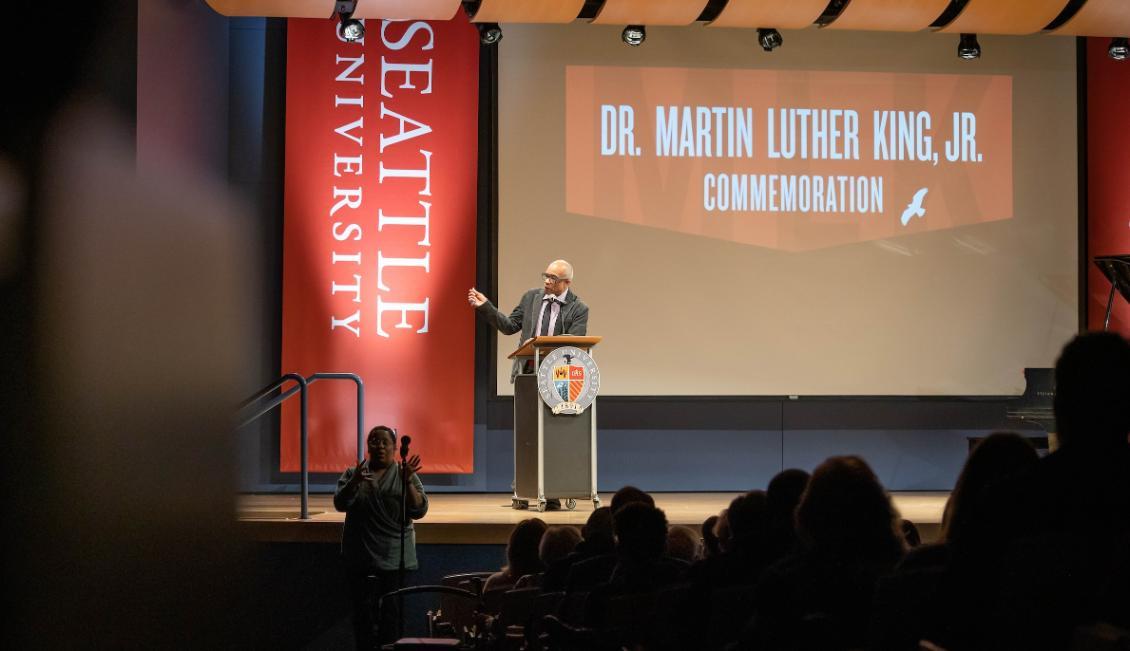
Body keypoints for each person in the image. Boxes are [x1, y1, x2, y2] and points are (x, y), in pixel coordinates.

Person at [334, 426, 428, 650]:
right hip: (361, 555)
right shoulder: (354, 473)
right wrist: (355, 482)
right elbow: (340, 503)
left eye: (386, 442)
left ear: (395, 448)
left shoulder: (404, 474)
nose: (380, 446)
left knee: (391, 616)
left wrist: (407, 481)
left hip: (393, 557)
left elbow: (419, 509)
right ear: (368, 446)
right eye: (375, 441)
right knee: (362, 616)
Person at [468, 259, 589, 382]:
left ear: (567, 282)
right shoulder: (531, 297)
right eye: (546, 276)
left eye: (553, 278)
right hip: (527, 370)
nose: (547, 281)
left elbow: (573, 346)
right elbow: (509, 326)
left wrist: (540, 344)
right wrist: (486, 306)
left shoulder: (579, 308)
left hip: (558, 373)